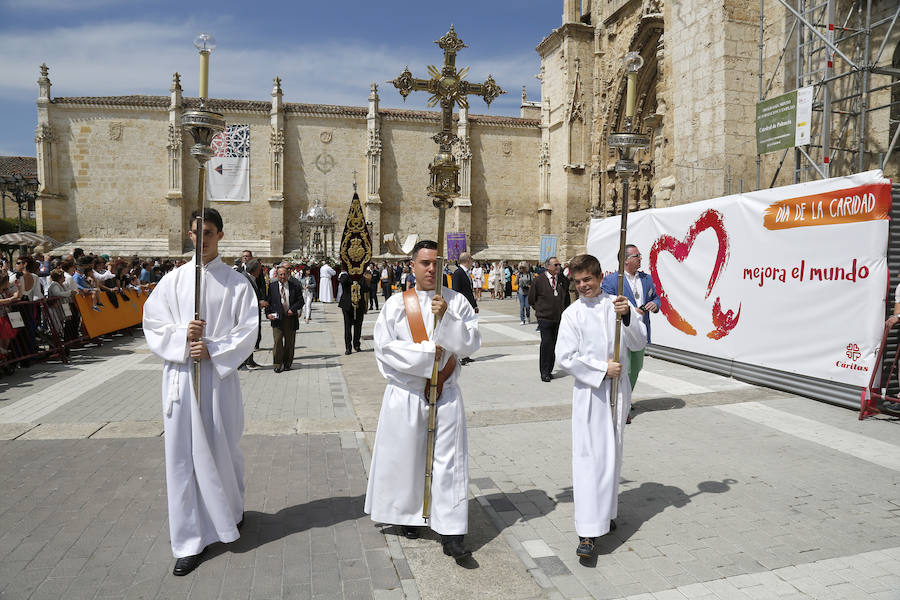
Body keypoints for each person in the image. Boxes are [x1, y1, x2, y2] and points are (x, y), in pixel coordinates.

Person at [142, 207, 258, 576]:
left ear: (220, 235)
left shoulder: (237, 284)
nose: (203, 238)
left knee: (222, 448)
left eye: (209, 232)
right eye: (197, 232)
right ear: (189, 235)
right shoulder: (172, 281)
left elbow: (248, 331)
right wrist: (181, 338)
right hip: (180, 378)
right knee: (182, 459)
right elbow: (152, 324)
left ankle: (230, 513)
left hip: (217, 381)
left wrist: (213, 349)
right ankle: (190, 539)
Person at [365, 240, 481, 562]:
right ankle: (409, 516)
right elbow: (384, 350)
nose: (431, 269)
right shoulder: (395, 305)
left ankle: (452, 530)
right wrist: (427, 354)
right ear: (412, 266)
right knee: (409, 458)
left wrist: (449, 320)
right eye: (425, 263)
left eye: (436, 264)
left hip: (445, 392)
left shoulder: (456, 301)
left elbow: (471, 344)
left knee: (449, 463)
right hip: (408, 393)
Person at [555, 253, 646, 559]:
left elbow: (638, 342)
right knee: (588, 459)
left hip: (617, 392)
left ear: (598, 277)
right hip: (590, 394)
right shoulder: (572, 314)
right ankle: (587, 531)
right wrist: (600, 368)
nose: (583, 286)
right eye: (577, 281)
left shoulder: (616, 305)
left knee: (613, 454)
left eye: (587, 280)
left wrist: (630, 316)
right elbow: (564, 358)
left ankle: (605, 513)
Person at [601, 244, 660, 392]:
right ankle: (620, 403)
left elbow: (656, 297)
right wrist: (631, 311)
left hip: (640, 331)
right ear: (625, 260)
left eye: (640, 255)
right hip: (622, 331)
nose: (640, 258)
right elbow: (607, 303)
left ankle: (627, 398)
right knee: (624, 370)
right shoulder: (612, 280)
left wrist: (655, 303)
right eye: (636, 256)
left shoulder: (646, 279)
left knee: (636, 368)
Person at [528, 256, 570, 382]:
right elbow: (531, 299)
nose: (559, 267)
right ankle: (544, 371)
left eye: (559, 265)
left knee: (554, 344)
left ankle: (549, 369)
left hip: (558, 317)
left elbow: (566, 297)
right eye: (555, 265)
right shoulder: (539, 281)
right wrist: (540, 310)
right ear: (547, 266)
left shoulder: (562, 280)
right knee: (546, 343)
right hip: (544, 318)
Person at [266, 265, 304, 372]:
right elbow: (268, 301)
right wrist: (268, 314)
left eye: (285, 274)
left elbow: (300, 301)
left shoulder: (294, 286)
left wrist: (293, 309)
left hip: (290, 318)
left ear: (288, 274)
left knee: (289, 343)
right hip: (277, 319)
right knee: (277, 342)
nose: (283, 276)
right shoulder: (272, 286)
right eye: (280, 274)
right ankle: (277, 364)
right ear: (277, 275)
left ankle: (287, 363)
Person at [451, 252, 478, 366]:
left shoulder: (466, 273)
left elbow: (469, 291)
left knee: (467, 330)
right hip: (462, 307)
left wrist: (474, 305)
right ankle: (459, 356)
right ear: (467, 260)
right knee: (461, 331)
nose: (472, 261)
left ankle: (465, 355)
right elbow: (456, 291)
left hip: (468, 307)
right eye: (471, 259)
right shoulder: (458, 273)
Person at [240, 258, 265, 369]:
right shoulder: (244, 279)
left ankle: (250, 361)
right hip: (246, 315)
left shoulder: (251, 278)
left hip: (252, 314)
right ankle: (243, 363)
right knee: (246, 339)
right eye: (259, 269)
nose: (260, 271)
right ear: (255, 269)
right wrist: (258, 303)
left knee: (251, 338)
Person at [338, 267, 367, 355]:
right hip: (347, 304)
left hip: (359, 304)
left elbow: (365, 289)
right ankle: (348, 347)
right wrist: (351, 275)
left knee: (358, 325)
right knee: (348, 326)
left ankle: (357, 344)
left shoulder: (361, 277)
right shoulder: (344, 276)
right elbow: (342, 282)